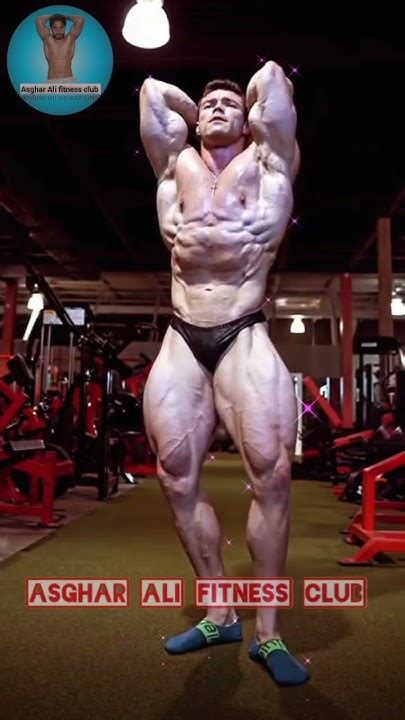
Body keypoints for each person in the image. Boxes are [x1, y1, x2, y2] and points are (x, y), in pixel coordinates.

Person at [139, 61, 308, 686]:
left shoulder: (270, 164)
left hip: (243, 329)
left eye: (228, 104)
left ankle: (269, 632)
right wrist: (201, 107)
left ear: (250, 118)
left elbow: (273, 80)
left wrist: (244, 101)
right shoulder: (174, 166)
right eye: (208, 102)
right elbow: (151, 93)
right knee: (174, 477)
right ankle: (220, 612)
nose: (215, 107)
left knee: (273, 474)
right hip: (182, 334)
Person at [35, 13, 84, 82]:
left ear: (65, 27)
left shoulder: (71, 38)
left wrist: (64, 17)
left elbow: (80, 20)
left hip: (69, 80)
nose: (58, 31)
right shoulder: (47, 39)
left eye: (61, 27)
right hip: (52, 81)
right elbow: (39, 20)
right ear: (51, 28)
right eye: (55, 28)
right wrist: (55, 16)